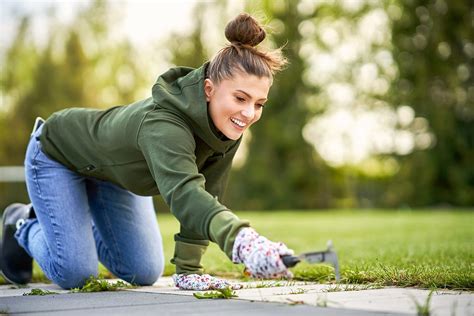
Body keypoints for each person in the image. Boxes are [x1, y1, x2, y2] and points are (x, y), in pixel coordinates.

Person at [0, 13, 294, 290]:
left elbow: (209, 192)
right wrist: (242, 241)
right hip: (58, 153)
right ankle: (21, 223)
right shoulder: (164, 124)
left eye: (259, 103)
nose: (248, 113)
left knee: (144, 271)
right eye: (241, 98)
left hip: (112, 175)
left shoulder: (228, 126)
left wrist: (189, 269)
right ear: (208, 89)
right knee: (76, 272)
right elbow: (185, 193)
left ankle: (69, 226)